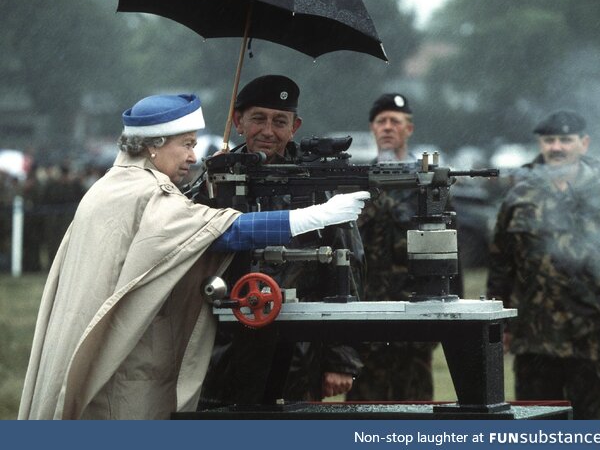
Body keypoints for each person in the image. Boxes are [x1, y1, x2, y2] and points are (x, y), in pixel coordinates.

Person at [18, 93, 369, 419]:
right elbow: (224, 231)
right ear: (154, 146)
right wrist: (317, 216)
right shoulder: (148, 193)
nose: (192, 156)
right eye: (186, 144)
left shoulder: (114, 185)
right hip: (127, 368)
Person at [199, 75, 364, 406]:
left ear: (295, 127)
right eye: (258, 118)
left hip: (298, 350)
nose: (268, 131)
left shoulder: (315, 186)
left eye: (279, 121)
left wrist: (340, 359)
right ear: (238, 121)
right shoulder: (216, 183)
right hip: (223, 349)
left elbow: (349, 267)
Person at [486, 109, 600, 419]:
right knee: (537, 430)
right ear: (541, 144)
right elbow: (501, 264)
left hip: (590, 336)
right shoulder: (520, 196)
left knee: (590, 430)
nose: (557, 147)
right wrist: (498, 326)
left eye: (565, 140)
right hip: (532, 338)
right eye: (549, 140)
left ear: (584, 143)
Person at [347, 93, 462, 401]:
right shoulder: (357, 185)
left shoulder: (428, 188)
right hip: (366, 322)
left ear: (408, 129)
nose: (387, 127)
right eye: (381, 121)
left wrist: (450, 318)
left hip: (416, 321)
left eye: (395, 122)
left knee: (417, 413)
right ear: (372, 128)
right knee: (362, 414)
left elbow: (451, 259)